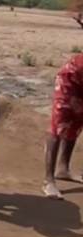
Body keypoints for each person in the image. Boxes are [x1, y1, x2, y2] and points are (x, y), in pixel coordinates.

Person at [43, 53, 83, 199]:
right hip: (71, 76)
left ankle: (63, 169)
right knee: (61, 120)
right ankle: (49, 180)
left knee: (78, 120)